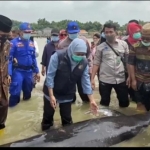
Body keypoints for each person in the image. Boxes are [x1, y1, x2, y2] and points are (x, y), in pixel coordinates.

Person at [41, 38, 98, 131]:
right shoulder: (57, 56)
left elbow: (86, 81)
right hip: (52, 91)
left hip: (67, 92)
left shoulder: (84, 62)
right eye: (78, 54)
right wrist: (51, 96)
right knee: (47, 118)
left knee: (67, 119)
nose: (80, 56)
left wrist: (92, 100)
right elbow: (50, 76)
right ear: (72, 49)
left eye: (82, 54)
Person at [91, 23, 129, 108]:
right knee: (104, 103)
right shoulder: (100, 47)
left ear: (116, 32)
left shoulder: (123, 44)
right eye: (106, 32)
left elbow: (128, 62)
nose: (108, 34)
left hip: (121, 78)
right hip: (105, 79)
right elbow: (96, 63)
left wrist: (130, 76)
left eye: (111, 32)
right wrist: (92, 79)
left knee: (124, 102)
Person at [8, 22, 40, 107]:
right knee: (15, 92)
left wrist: (37, 71)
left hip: (29, 72)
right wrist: (9, 74)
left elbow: (33, 58)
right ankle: (12, 110)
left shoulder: (31, 43)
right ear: (20, 32)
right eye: (26, 32)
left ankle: (26, 108)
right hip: (18, 71)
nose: (28, 34)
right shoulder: (13, 43)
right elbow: (9, 59)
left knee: (28, 91)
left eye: (30, 32)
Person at [58, 21, 91, 103]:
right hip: (68, 74)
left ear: (79, 31)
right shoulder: (62, 44)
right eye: (71, 32)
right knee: (70, 98)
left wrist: (89, 68)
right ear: (67, 32)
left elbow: (89, 55)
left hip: (81, 70)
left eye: (75, 32)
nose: (74, 34)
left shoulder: (84, 40)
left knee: (85, 95)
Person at [128, 23, 150, 112]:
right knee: (140, 106)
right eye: (143, 37)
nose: (144, 39)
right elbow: (131, 63)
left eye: (147, 38)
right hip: (139, 81)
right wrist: (133, 80)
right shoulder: (135, 47)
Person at [0, 15, 12, 130]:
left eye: (6, 36)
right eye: (2, 35)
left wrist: (7, 74)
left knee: (4, 105)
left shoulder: (7, 44)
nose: (4, 39)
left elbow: (5, 61)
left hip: (2, 82)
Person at [125, 22, 142, 102]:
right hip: (129, 72)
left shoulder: (143, 42)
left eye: (139, 31)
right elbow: (128, 61)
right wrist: (130, 76)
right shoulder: (125, 42)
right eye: (135, 31)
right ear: (130, 31)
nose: (137, 33)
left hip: (142, 73)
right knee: (134, 96)